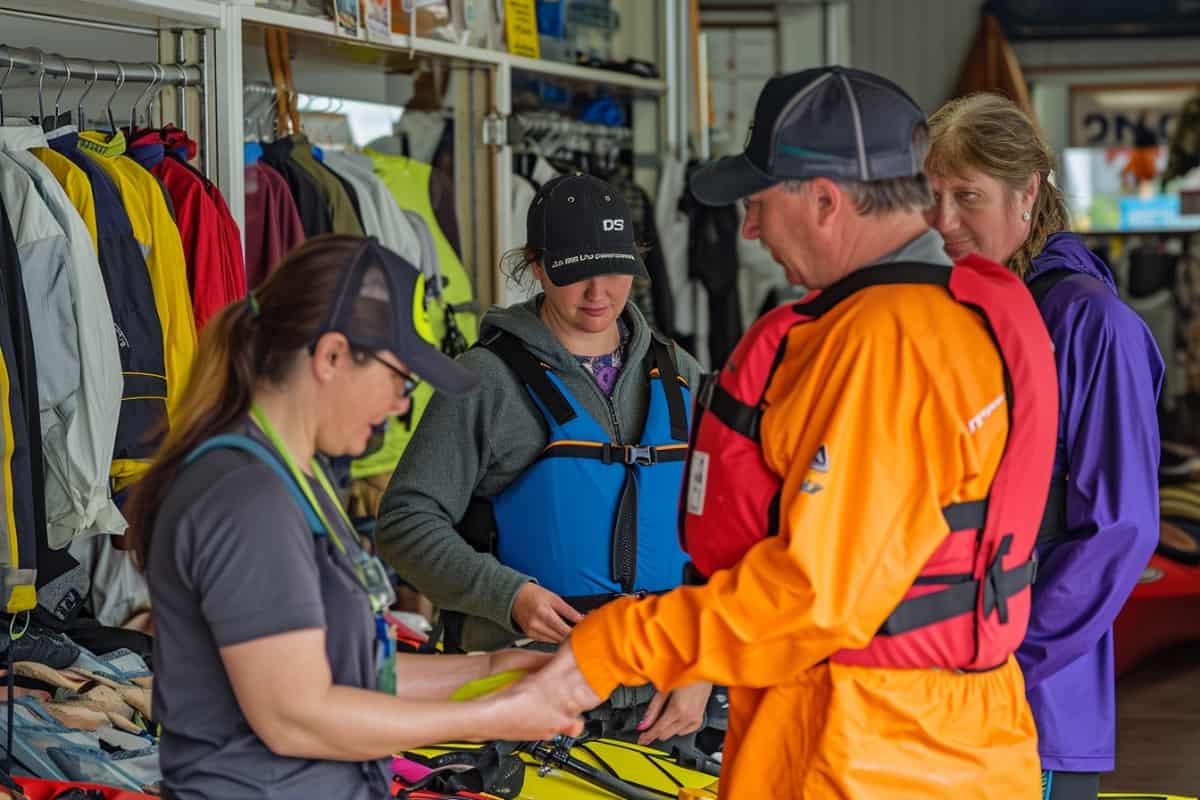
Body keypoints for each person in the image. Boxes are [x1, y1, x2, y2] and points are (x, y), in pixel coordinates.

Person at [519, 66, 1063, 798]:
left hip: (872, 751)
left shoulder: (890, 344)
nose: (747, 228)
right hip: (904, 735)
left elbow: (817, 595)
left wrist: (610, 648)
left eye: (758, 203)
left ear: (826, 200)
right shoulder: (947, 314)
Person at [126, 236, 581, 800]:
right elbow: (296, 715)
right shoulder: (245, 499)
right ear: (332, 356)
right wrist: (492, 714)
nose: (400, 406)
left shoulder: (301, 480)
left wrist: (493, 667)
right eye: (400, 379)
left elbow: (358, 671)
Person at [376, 173, 713, 747]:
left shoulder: (680, 372)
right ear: (535, 266)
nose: (598, 293)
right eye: (574, 273)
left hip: (664, 702)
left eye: (614, 270)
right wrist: (506, 595)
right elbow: (404, 523)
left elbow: (722, 535)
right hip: (523, 699)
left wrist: (706, 663)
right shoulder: (485, 381)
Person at [925, 92, 1164, 800]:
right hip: (948, 687)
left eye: (966, 195)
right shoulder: (970, 311)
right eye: (932, 196)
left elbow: (1119, 529)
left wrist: (1005, 659)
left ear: (1028, 192)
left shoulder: (1092, 326)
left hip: (1036, 706)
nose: (943, 221)